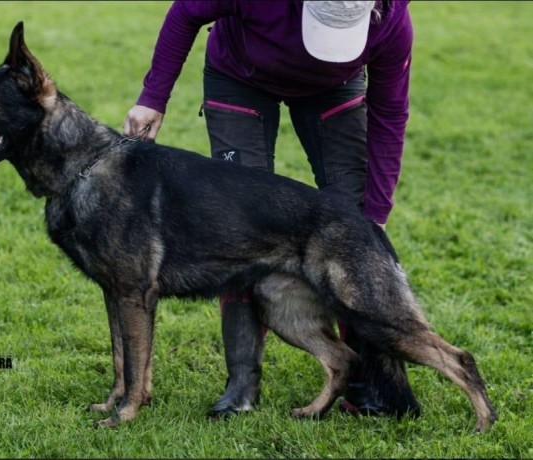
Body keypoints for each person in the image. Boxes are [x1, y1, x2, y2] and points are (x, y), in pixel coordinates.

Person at [124, 0, 420, 419]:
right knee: (235, 228)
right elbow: (185, 11)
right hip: (240, 74)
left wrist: (377, 210)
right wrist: (153, 97)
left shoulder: (391, 23)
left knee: (353, 224)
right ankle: (242, 382)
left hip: (334, 87)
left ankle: (364, 380)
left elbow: (390, 112)